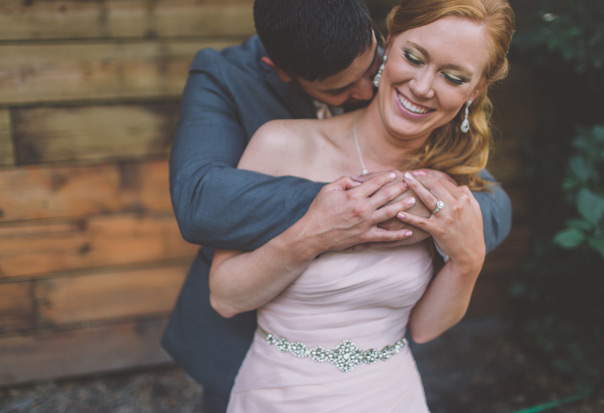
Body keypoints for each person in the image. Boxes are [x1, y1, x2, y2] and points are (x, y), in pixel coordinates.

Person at [163, 0, 512, 411]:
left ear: (380, 40)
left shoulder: (443, 164)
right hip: (264, 370)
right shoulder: (237, 92)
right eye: (339, 88)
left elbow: (488, 206)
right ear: (280, 70)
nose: (365, 92)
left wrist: (465, 252)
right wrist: (336, 216)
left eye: (371, 69)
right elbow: (199, 202)